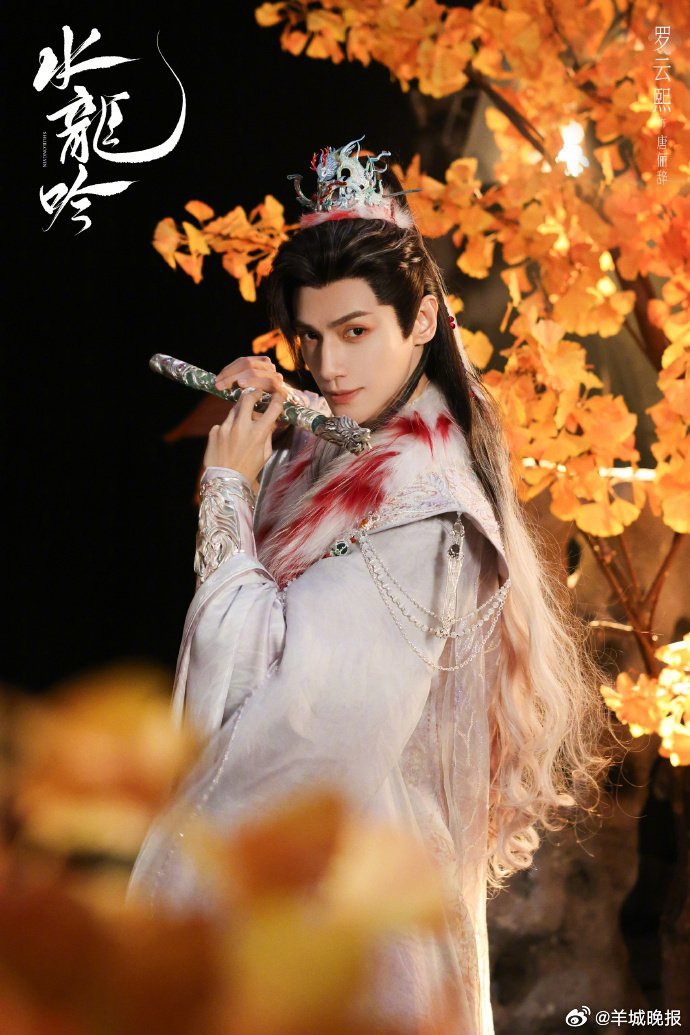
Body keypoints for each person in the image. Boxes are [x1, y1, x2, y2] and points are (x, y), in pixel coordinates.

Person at [127, 137, 609, 1033]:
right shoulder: (357, 439)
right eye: (310, 339)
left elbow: (292, 730)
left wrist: (228, 486)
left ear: (421, 321)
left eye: (356, 332)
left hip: (357, 912)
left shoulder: (427, 506)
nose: (330, 368)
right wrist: (285, 430)